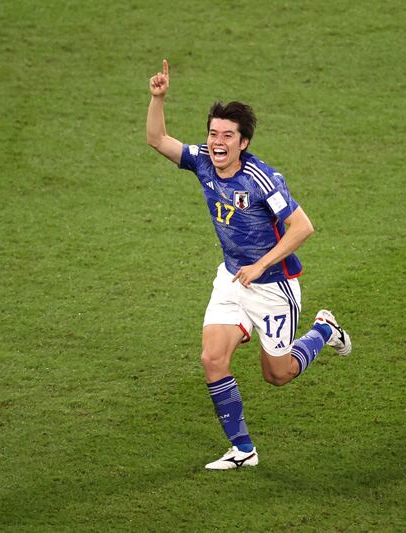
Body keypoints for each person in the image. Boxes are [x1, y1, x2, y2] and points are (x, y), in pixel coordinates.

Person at [146, 59, 352, 468]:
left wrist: (260, 266)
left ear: (243, 143)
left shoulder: (262, 179)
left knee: (277, 375)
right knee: (212, 359)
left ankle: (324, 330)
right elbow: (158, 139)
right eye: (212, 133)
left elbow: (302, 227)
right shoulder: (203, 160)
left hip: (272, 286)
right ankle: (243, 449)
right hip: (231, 279)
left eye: (227, 136)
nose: (217, 142)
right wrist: (158, 98)